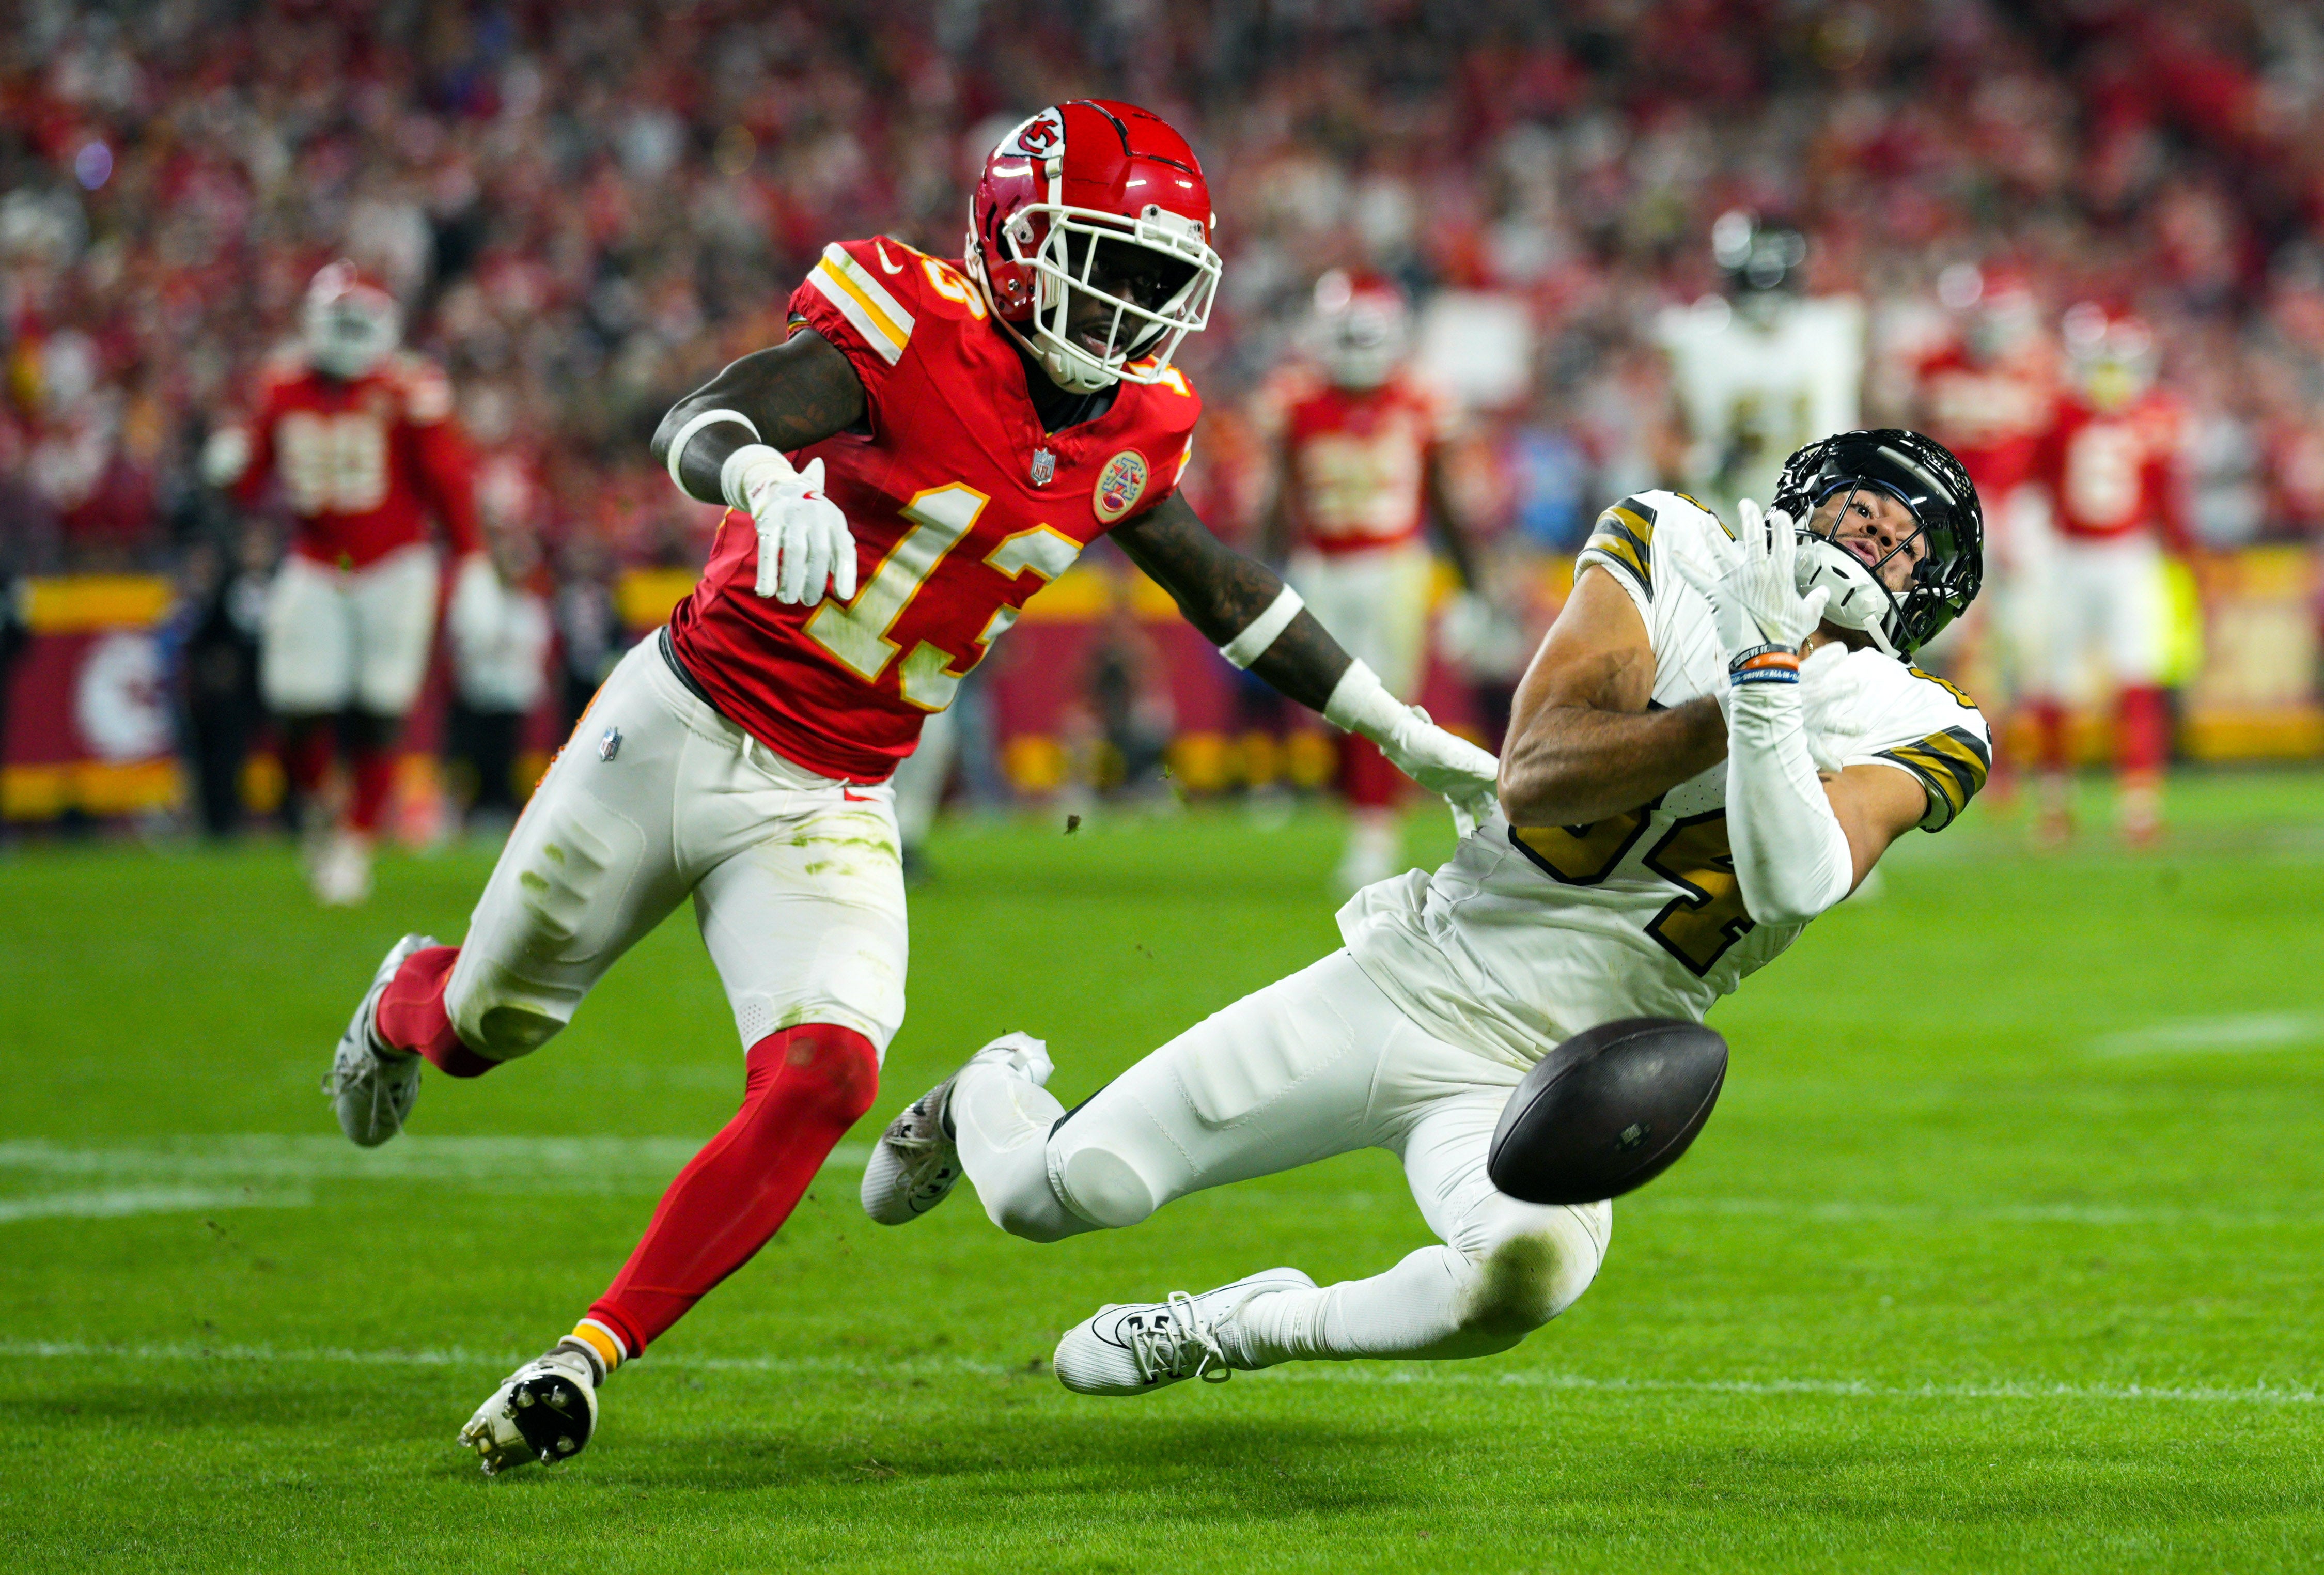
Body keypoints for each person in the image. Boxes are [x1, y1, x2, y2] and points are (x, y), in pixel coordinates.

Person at [316, 101, 1499, 1473]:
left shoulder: (1138, 422)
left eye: (1150, 276)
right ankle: (406, 998)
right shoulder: (908, 325)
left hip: (834, 792)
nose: (1123, 307)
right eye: (1100, 264)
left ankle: (584, 1356)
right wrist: (761, 475)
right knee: (486, 1028)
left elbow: (1223, 587)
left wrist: (1394, 726)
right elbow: (704, 416)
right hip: (681, 724)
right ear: (1012, 242)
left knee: (825, 1072)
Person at [863, 431, 1989, 1397]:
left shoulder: (1926, 721)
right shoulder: (1672, 542)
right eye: (1863, 508)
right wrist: (1740, 688)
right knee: (1057, 1193)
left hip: (1559, 1066)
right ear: (1803, 495)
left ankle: (1233, 1325)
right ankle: (988, 1087)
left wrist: (1766, 683)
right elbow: (1536, 774)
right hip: (1410, 978)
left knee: (1522, 1279)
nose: (1872, 541)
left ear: (1929, 594)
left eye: (1907, 541)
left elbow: (1795, 878)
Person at [205, 261, 502, 903]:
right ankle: (322, 807)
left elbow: (448, 482)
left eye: (356, 322)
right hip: (316, 560)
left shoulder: (409, 388)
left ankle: (356, 840)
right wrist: (231, 467)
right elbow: (251, 486)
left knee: (380, 708)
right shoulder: (282, 385)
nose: (345, 336)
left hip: (395, 564)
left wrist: (474, 560)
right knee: (294, 703)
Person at [1266, 270, 1481, 891]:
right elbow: (1278, 498)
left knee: (1376, 699)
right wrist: (1259, 570)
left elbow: (1444, 501)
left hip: (1391, 565)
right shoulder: (1298, 401)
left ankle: (1373, 831)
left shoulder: (1418, 400)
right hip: (1320, 564)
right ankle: (1366, 817)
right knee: (1327, 708)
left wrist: (1470, 586)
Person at [2023, 305, 2189, 847]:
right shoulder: (2072, 414)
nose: (2111, 377)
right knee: (2062, 684)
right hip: (2088, 557)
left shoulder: (2067, 413)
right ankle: (2073, 805)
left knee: (2132, 680)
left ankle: (2125, 806)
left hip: (2112, 557)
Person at [1658, 213, 1865, 523]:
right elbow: (1660, 440)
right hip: (1727, 521)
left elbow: (1882, 416)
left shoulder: (1834, 327)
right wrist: (1702, 463)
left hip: (1824, 516)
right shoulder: (1694, 337)